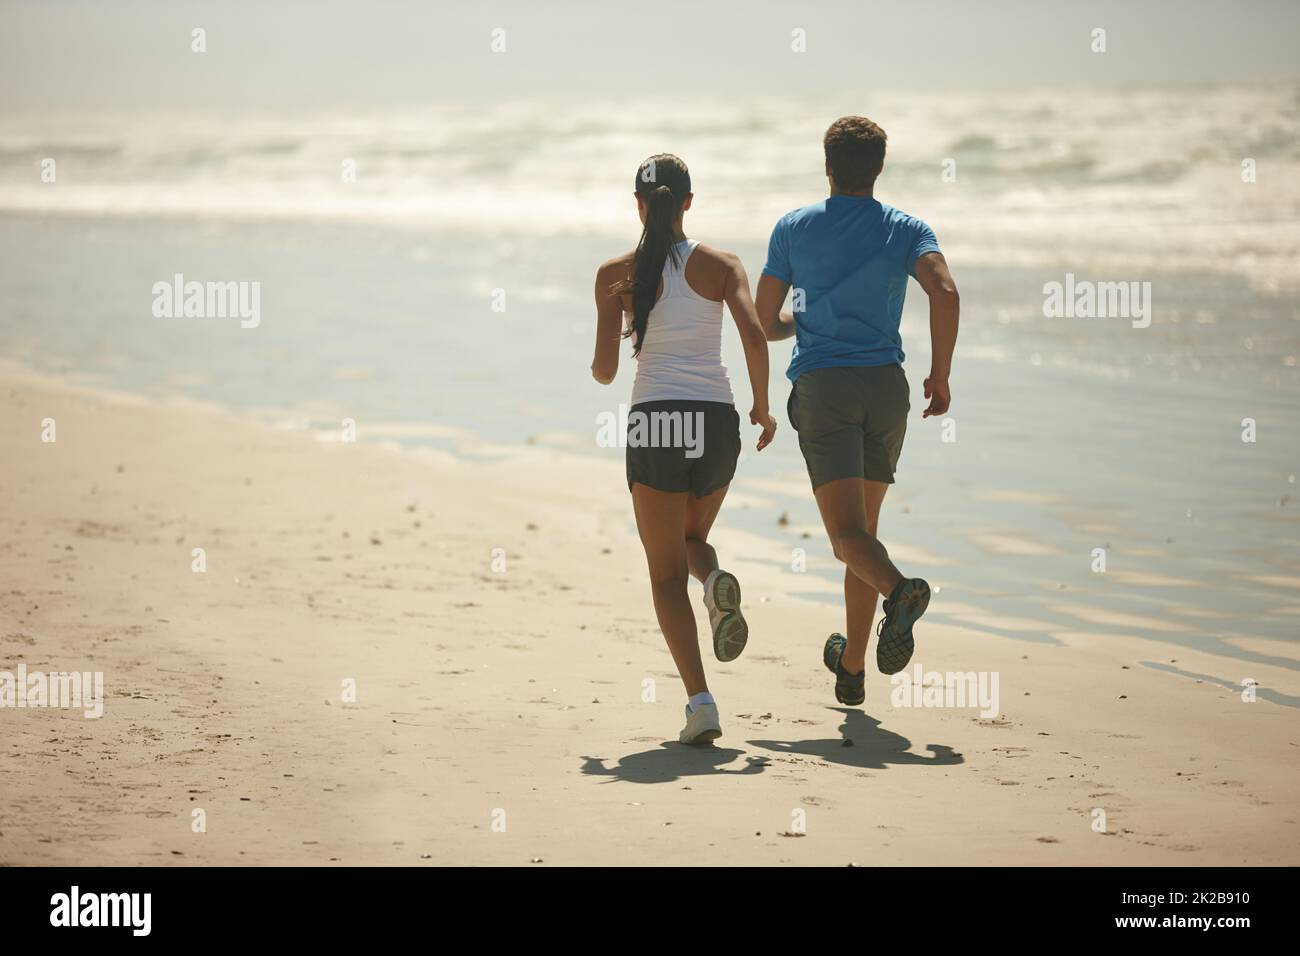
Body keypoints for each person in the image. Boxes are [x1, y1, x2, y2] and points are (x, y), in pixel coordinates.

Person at [754, 116, 960, 706]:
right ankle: (851, 667)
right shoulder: (905, 227)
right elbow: (944, 292)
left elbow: (765, 323)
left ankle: (903, 593)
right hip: (887, 390)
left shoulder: (794, 228)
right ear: (879, 169)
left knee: (846, 538)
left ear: (827, 166)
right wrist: (940, 374)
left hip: (825, 388)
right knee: (862, 536)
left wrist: (804, 321)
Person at [591, 153, 777, 744]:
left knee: (665, 570)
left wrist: (614, 321)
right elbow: (754, 333)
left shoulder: (614, 275)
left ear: (639, 205)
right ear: (689, 203)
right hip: (717, 420)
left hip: (656, 422)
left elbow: (603, 372)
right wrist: (763, 407)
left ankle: (701, 704)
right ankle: (715, 583)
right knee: (693, 542)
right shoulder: (722, 266)